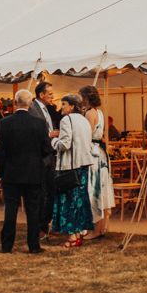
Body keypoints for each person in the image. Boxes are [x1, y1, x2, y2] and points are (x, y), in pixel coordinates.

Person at [0, 89, 53, 253]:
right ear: (30, 104)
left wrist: (1, 172)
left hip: (11, 173)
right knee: (33, 211)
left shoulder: (5, 123)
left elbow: (1, 151)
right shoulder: (39, 124)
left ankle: (7, 245)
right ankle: (33, 245)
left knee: (10, 211)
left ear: (15, 103)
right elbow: (46, 149)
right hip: (33, 173)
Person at [50, 94, 95, 248]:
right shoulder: (84, 120)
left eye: (63, 104)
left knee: (68, 200)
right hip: (84, 164)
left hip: (70, 166)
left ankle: (72, 236)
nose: (61, 107)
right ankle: (78, 234)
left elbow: (65, 144)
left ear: (71, 106)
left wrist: (53, 140)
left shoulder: (66, 120)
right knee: (79, 200)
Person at [80, 86, 115, 239]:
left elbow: (86, 135)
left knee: (93, 189)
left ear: (86, 98)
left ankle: (95, 228)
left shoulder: (89, 113)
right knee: (101, 188)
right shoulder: (99, 113)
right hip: (100, 153)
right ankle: (102, 227)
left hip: (92, 154)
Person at [29, 81, 59, 236]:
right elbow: (33, 133)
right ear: (41, 95)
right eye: (50, 94)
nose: (53, 97)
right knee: (42, 193)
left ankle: (45, 223)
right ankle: (40, 226)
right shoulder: (33, 109)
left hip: (50, 156)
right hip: (40, 157)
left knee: (51, 192)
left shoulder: (47, 109)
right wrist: (50, 135)